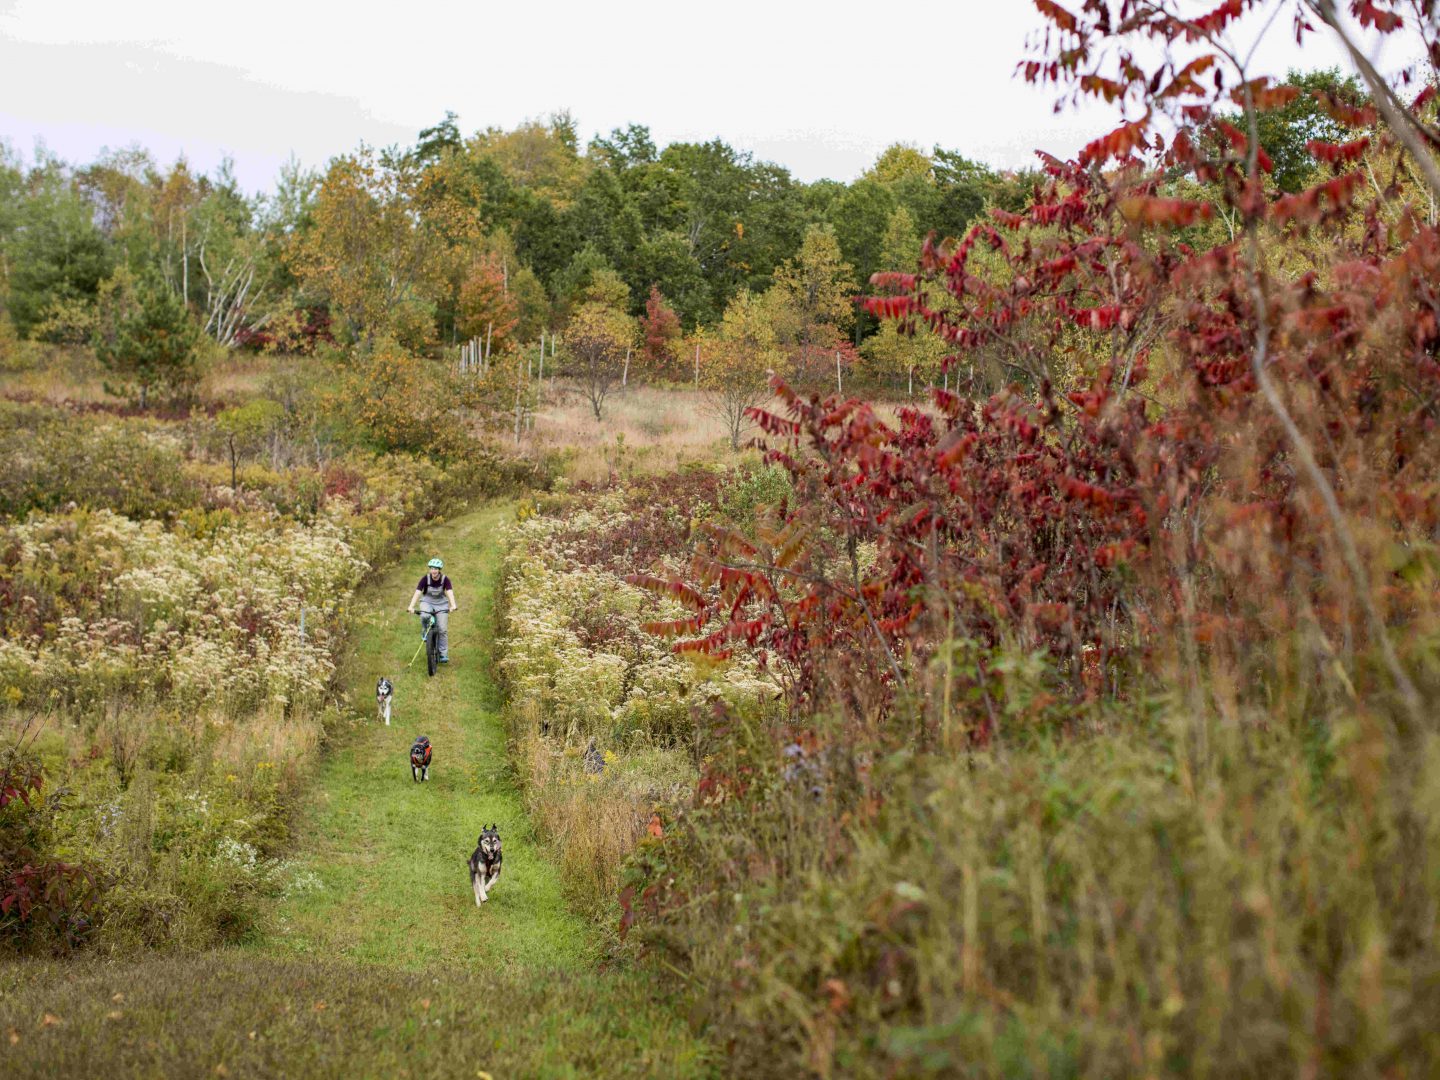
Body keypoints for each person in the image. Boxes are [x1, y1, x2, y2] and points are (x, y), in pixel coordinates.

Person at [407, 557, 458, 663]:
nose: (433, 571)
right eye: (431, 568)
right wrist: (411, 606)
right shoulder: (425, 579)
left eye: (436, 568)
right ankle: (425, 630)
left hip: (441, 604)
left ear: (439, 570)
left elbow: (449, 592)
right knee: (425, 615)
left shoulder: (445, 579)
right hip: (427, 602)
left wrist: (453, 605)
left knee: (442, 629)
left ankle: (443, 654)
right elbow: (418, 592)